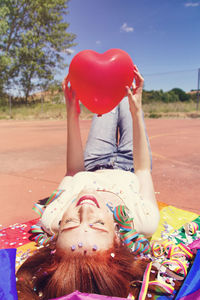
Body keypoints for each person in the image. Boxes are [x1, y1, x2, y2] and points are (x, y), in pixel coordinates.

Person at [16, 67, 160, 299]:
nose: (86, 207)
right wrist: (137, 112)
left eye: (71, 221)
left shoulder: (51, 216)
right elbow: (143, 169)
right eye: (98, 224)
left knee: (111, 92)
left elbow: (73, 170)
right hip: (129, 161)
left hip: (94, 158)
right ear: (116, 238)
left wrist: (71, 113)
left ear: (57, 235)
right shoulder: (143, 221)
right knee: (128, 96)